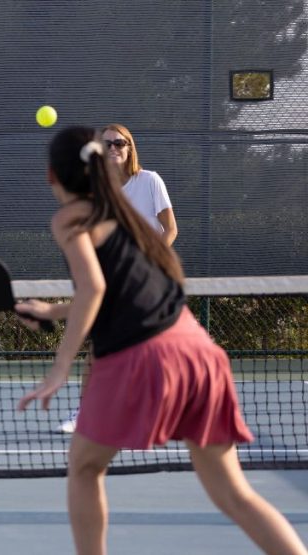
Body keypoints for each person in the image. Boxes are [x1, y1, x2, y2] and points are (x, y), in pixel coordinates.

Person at [16, 126, 306, 555]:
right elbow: (119, 291)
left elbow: (94, 289)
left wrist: (59, 367)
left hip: (141, 357)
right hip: (198, 351)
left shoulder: (70, 218)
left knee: (84, 469)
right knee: (234, 494)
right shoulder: (126, 215)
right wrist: (53, 312)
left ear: (50, 177)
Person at [56, 123, 178, 434]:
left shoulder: (150, 181)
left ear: (129, 147)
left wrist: (150, 262)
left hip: (148, 281)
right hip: (114, 281)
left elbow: (170, 228)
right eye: (107, 144)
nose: (114, 148)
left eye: (120, 143)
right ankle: (86, 413)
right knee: (99, 349)